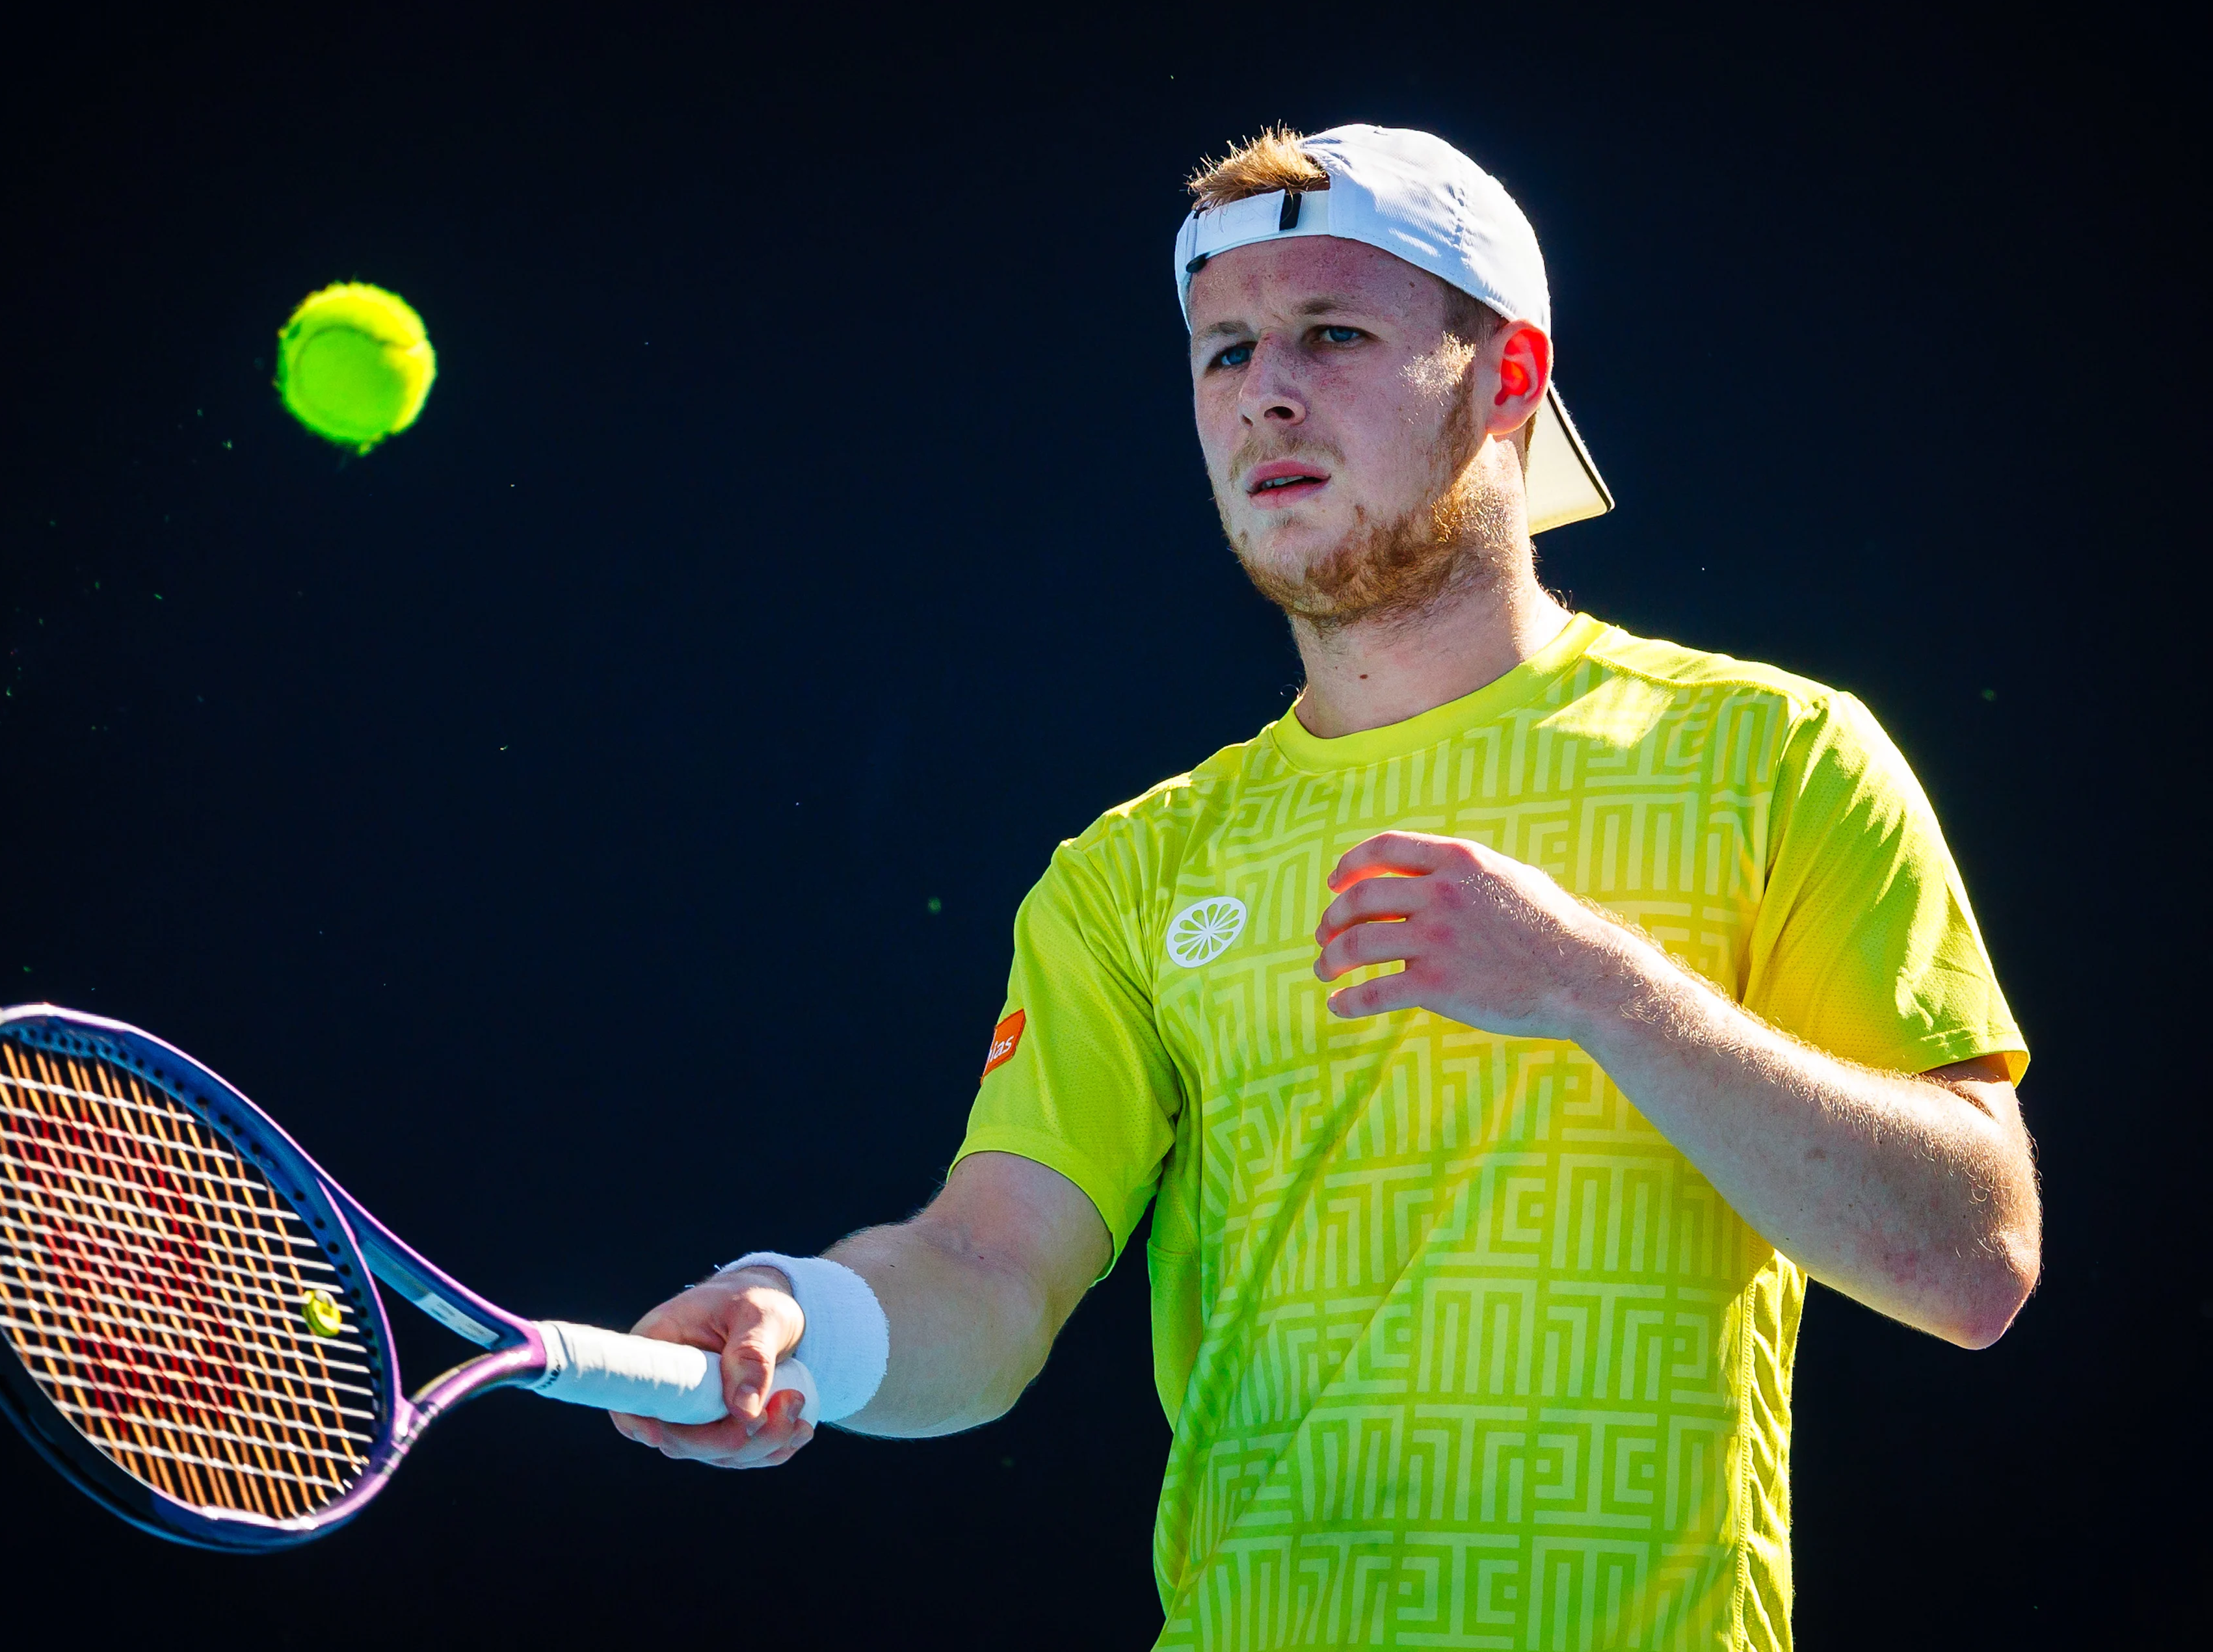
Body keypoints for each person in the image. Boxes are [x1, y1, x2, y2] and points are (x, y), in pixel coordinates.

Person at [609, 124, 2040, 1649]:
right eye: (1222, 352)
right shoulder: (1130, 870)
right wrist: (799, 1320)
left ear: (1506, 378)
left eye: (1332, 334)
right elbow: (987, 1267)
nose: (1263, 393)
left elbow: (1970, 1258)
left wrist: (1596, 987)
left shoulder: (1779, 757)